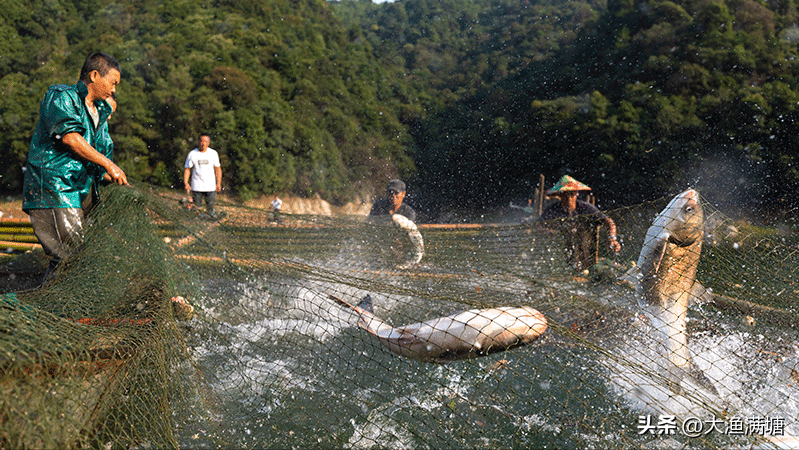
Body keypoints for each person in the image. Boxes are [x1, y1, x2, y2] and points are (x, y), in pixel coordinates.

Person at [22, 52, 128, 281]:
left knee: (72, 257)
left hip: (80, 191)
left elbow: (97, 160)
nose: (114, 90)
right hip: (54, 188)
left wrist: (112, 175)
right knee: (72, 254)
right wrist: (110, 165)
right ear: (94, 75)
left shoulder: (99, 112)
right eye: (113, 83)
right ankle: (53, 311)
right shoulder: (62, 96)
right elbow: (70, 138)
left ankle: (57, 309)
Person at [536, 175, 621, 272]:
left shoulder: (585, 208)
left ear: (576, 194)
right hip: (558, 251)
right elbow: (538, 226)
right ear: (559, 195)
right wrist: (551, 232)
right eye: (565, 194)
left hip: (584, 250)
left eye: (572, 194)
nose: (569, 199)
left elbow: (608, 221)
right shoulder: (551, 210)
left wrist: (612, 238)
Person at [183, 133, 222, 218]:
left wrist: (218, 183)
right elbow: (187, 169)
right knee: (197, 210)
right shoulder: (192, 154)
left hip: (210, 186)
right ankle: (198, 227)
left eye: (205, 141)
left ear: (208, 143)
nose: (203, 143)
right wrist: (186, 182)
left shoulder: (213, 153)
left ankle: (211, 226)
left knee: (210, 208)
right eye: (201, 141)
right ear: (198, 142)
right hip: (196, 186)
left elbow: (218, 169)